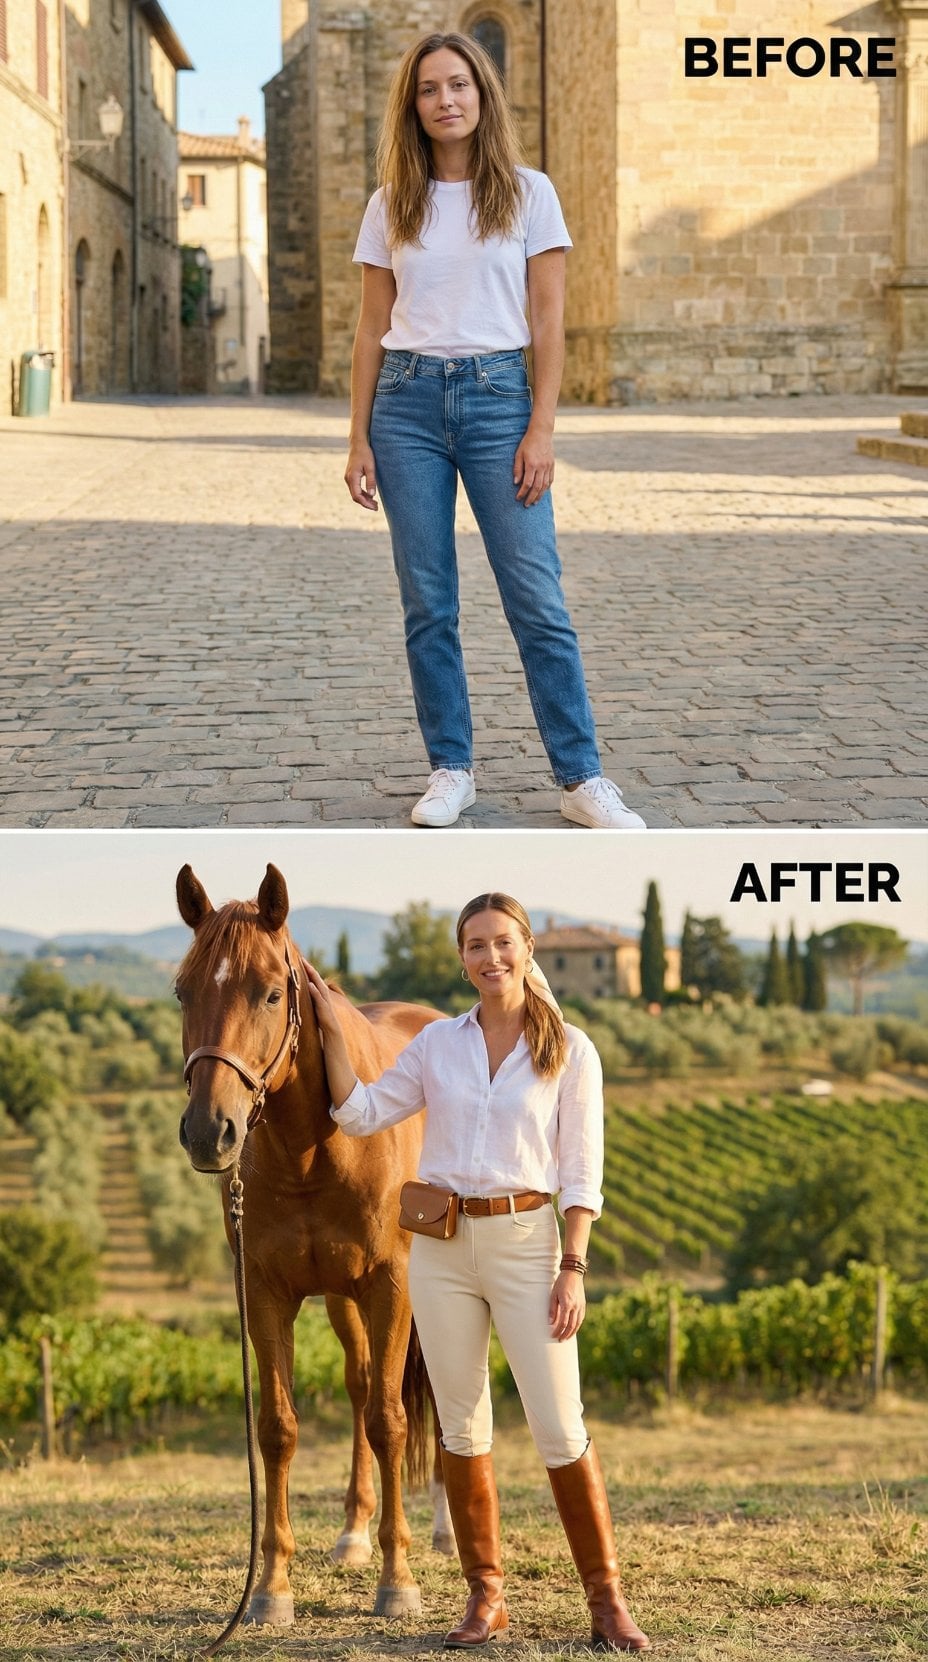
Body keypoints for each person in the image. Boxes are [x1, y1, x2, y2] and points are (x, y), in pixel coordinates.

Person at [306, 893, 651, 1653]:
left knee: (560, 1426)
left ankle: (606, 1602)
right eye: (475, 946)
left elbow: (582, 1174)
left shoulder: (572, 1050)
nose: (490, 958)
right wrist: (332, 1028)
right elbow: (360, 1113)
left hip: (529, 1245)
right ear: (461, 960)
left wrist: (572, 1266)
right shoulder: (437, 1044)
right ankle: (485, 1597)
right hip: (441, 1250)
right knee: (461, 1426)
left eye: (502, 942)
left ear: (526, 949)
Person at [344, 32, 646, 832]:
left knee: (536, 596)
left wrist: (541, 427)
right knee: (428, 601)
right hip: (405, 407)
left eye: (458, 85)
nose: (445, 100)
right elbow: (371, 326)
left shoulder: (528, 193)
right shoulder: (390, 203)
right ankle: (451, 768)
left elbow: (548, 321)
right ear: (412, 106)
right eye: (429, 89)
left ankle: (581, 777)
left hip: (499, 401)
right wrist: (358, 437)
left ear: (483, 94)